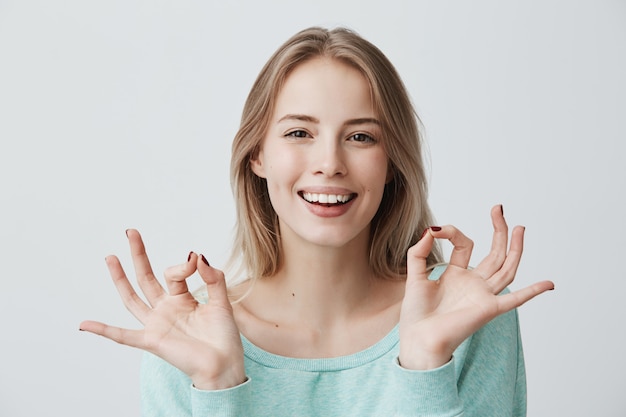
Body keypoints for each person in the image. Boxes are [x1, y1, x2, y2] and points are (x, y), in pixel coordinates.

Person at [80, 26, 554, 416]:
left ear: (393, 163)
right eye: (299, 132)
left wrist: (425, 368)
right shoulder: (187, 331)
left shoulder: (465, 314)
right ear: (257, 155)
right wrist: (219, 388)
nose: (329, 162)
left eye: (362, 136)